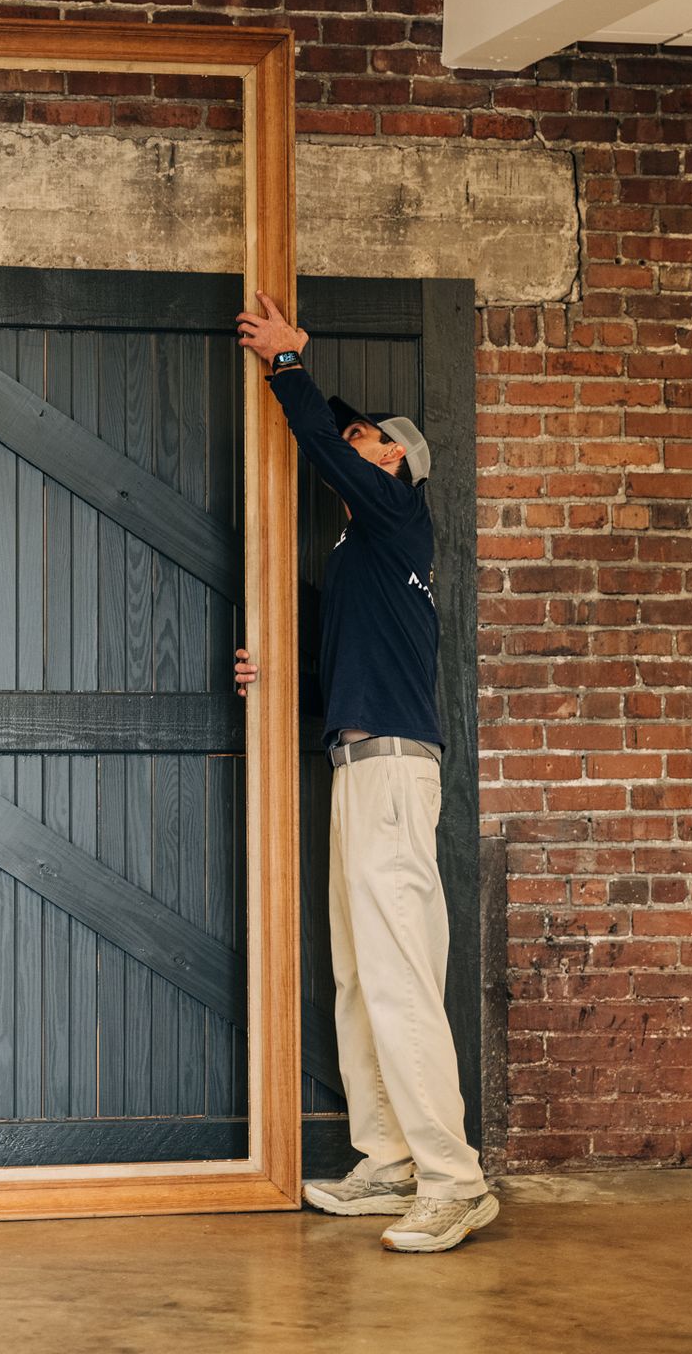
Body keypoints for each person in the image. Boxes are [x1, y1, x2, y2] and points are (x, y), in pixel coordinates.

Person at [234, 292, 497, 1255]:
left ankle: (454, 1180)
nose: (359, 446)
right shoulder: (360, 558)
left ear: (397, 465)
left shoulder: (399, 521)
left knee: (397, 978)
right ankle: (388, 1159)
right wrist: (282, 676)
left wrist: (291, 365)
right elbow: (351, 670)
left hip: (392, 778)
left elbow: (334, 443)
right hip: (357, 766)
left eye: (373, 440)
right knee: (359, 973)